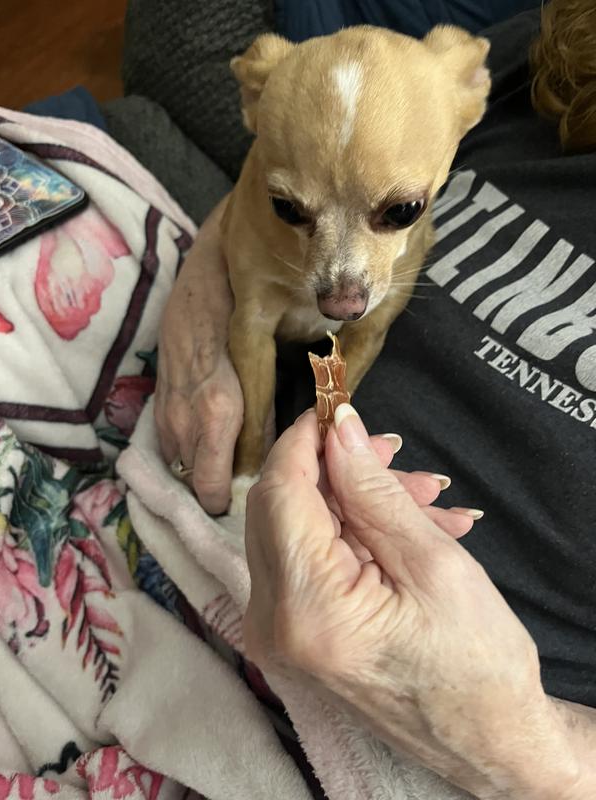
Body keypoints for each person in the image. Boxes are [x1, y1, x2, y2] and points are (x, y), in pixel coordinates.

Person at [154, 0, 596, 796]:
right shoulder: (531, 56)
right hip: (202, 514)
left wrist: (523, 747)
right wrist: (200, 318)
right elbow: (303, 153)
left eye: (399, 212)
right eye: (300, 214)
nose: (343, 289)